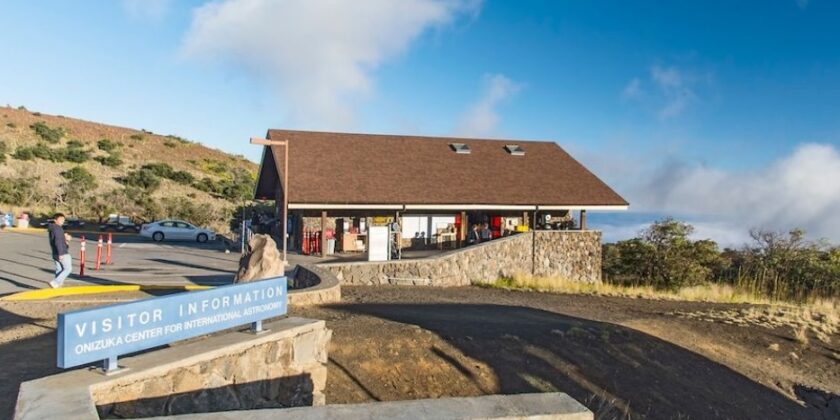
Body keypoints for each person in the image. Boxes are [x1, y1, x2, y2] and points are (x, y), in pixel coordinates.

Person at [48, 213, 72, 288]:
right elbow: (58, 241)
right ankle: (56, 282)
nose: (62, 221)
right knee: (68, 269)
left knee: (59, 269)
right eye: (60, 219)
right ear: (55, 220)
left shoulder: (52, 228)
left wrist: (66, 240)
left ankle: (58, 284)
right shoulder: (58, 229)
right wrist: (61, 253)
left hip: (55, 252)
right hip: (62, 252)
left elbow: (57, 241)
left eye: (63, 219)